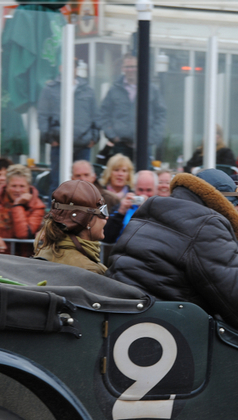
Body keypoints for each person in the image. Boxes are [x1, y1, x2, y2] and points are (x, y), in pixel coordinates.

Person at [106, 168, 238, 333]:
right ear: (224, 201)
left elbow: (181, 259)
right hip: (170, 332)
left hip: (130, 321)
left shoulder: (153, 210)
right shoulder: (207, 224)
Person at [37, 62, 100, 194]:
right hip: (59, 144)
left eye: (73, 66)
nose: (71, 68)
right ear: (60, 67)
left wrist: (93, 138)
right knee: (58, 183)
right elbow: (42, 115)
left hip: (83, 145)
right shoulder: (50, 89)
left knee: (83, 186)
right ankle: (55, 214)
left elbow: (96, 116)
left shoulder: (87, 89)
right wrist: (49, 138)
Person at [95, 53, 167, 165]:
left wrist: (151, 138)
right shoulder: (114, 90)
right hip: (120, 146)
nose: (130, 70)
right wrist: (113, 136)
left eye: (133, 66)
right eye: (127, 67)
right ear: (122, 68)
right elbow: (103, 114)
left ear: (139, 67)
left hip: (144, 146)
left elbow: (161, 115)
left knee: (143, 178)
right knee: (120, 178)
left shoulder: (151, 90)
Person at [33, 180, 109, 275]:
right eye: (102, 211)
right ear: (86, 220)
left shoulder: (43, 252)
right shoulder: (90, 271)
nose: (106, 217)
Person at [102, 170, 157, 244]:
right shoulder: (124, 206)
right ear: (134, 188)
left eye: (149, 190)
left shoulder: (160, 210)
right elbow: (107, 238)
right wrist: (120, 213)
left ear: (156, 190)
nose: (144, 194)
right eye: (140, 190)